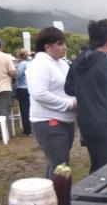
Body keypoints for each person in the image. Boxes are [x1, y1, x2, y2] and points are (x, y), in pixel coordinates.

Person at [66, 19, 107, 173]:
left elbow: (69, 88)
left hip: (86, 122)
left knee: (96, 163)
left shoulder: (77, 62)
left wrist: (87, 94)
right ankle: (100, 197)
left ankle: (91, 194)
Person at [27, 27, 77, 177]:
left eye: (64, 43)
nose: (64, 48)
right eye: (60, 44)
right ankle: (58, 198)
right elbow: (38, 93)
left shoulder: (61, 63)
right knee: (60, 168)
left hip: (65, 120)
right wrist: (70, 104)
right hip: (48, 122)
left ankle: (52, 197)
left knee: (58, 164)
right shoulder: (39, 64)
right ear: (47, 46)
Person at [14, 50, 32, 136]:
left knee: (24, 110)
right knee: (29, 108)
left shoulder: (22, 64)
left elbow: (17, 76)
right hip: (30, 88)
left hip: (22, 88)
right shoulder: (30, 63)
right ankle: (31, 128)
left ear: (20, 56)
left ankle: (27, 130)